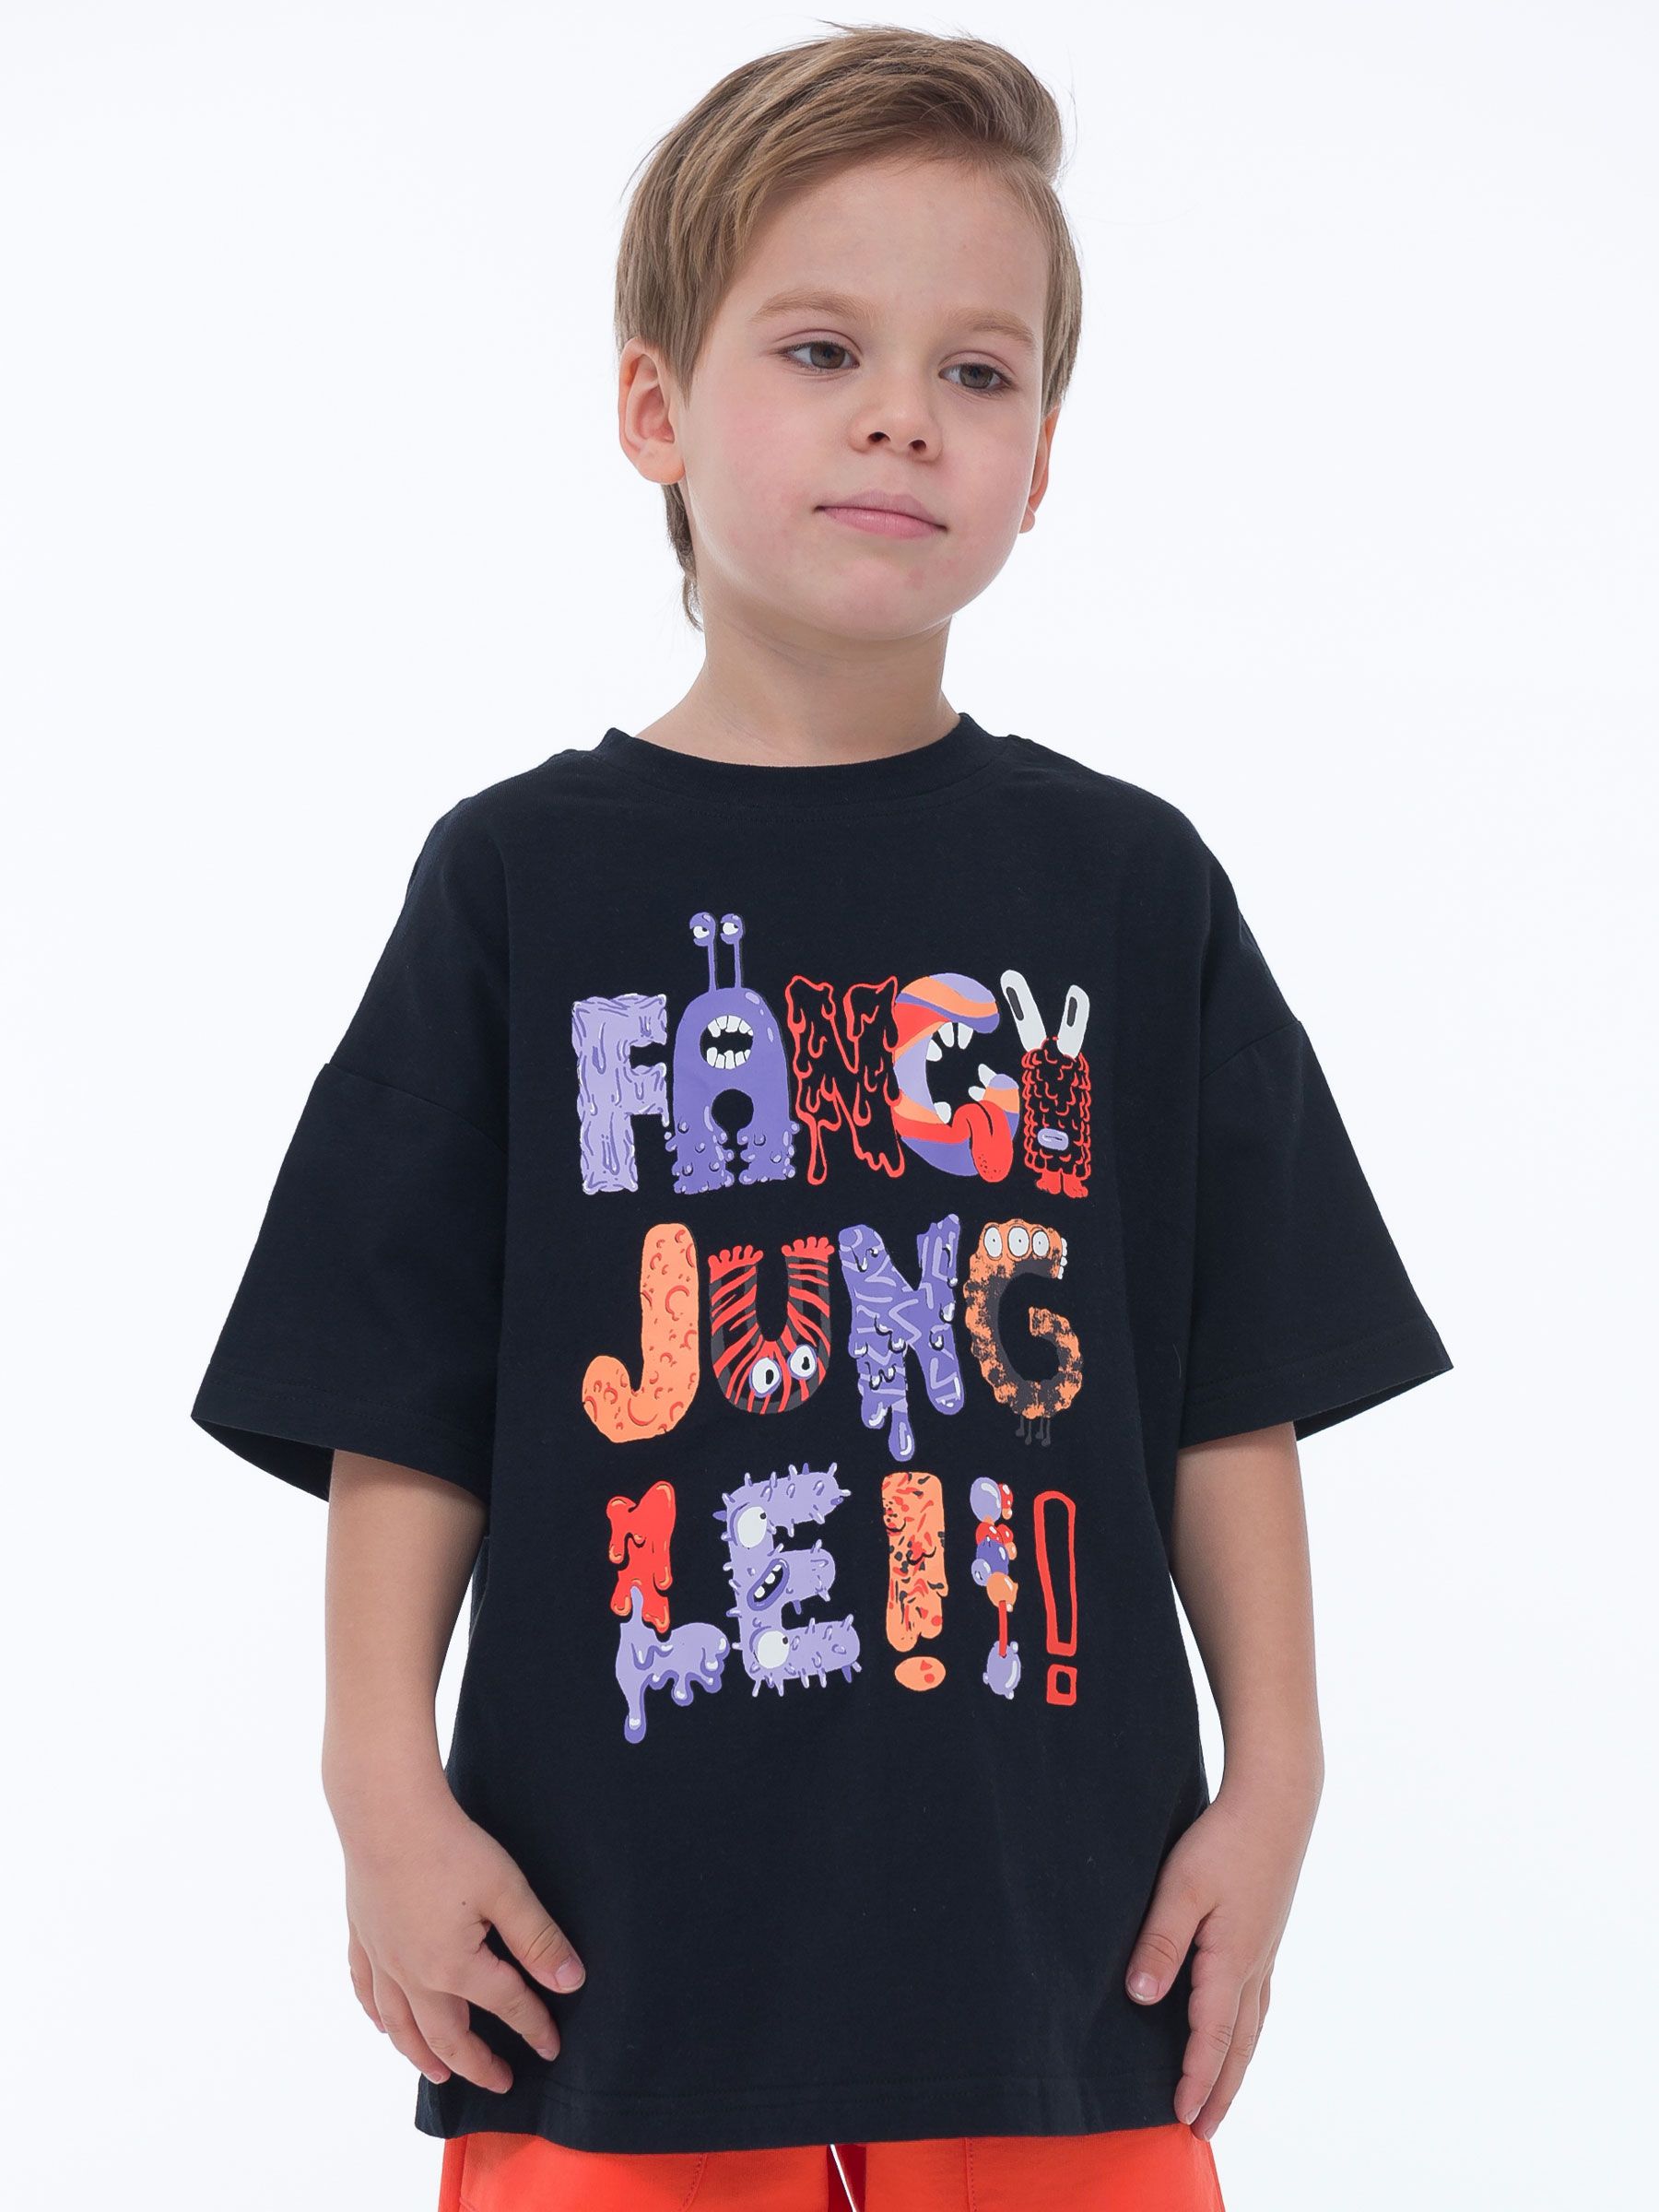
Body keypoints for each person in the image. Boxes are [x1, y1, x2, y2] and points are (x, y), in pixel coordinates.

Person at [190, 27, 1453, 2212]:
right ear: (655, 410)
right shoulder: (516, 885)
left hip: (1058, 1966)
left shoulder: (1128, 890)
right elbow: (399, 1391)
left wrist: (1281, 1783)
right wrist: (376, 1786)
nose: (903, 414)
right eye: (821, 349)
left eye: (978, 371)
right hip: (605, 1982)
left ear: (1041, 461)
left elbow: (1227, 1381)